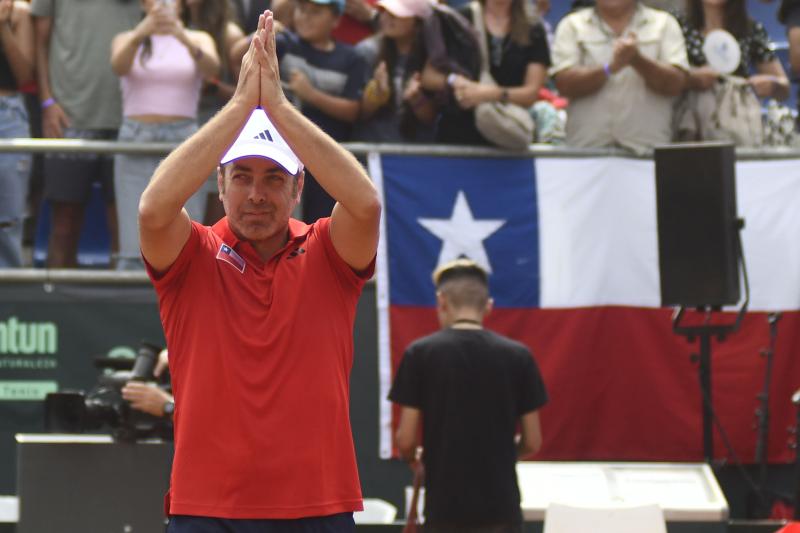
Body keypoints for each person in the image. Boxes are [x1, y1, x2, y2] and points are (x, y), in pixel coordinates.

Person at [139, 9, 380, 530]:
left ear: (298, 189)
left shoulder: (324, 252)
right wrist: (240, 106)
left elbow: (365, 205)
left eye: (274, 179)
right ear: (219, 186)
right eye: (241, 177)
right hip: (207, 510)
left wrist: (279, 108)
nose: (256, 195)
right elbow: (153, 210)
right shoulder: (194, 253)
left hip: (317, 506)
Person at [389, 258, 547, 533]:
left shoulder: (421, 353)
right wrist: (505, 454)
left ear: (441, 301)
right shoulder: (518, 356)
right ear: (488, 306)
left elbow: (405, 440)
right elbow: (532, 441)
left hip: (444, 509)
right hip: (502, 508)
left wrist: (418, 460)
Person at [31, 0, 142, 268]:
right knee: (64, 225)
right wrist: (46, 101)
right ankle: (56, 309)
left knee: (127, 229)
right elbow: (39, 41)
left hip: (131, 120)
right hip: (69, 118)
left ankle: (122, 309)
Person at [111, 0, 220, 270]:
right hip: (135, 137)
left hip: (182, 139)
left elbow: (213, 69)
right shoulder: (127, 37)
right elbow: (118, 66)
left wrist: (179, 34)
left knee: (185, 233)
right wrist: (142, 32)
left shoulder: (197, 37)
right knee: (132, 233)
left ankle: (186, 302)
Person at [550, 0, 688, 153]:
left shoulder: (664, 24)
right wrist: (610, 68)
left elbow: (675, 84)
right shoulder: (571, 25)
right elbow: (564, 84)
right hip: (587, 154)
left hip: (646, 154)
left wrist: (637, 60)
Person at [422, 0, 550, 146]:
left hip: (507, 138)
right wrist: (454, 81)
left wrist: (486, 94)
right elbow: (428, 77)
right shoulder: (458, 19)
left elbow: (531, 93)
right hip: (457, 139)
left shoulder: (533, 27)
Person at [353, 0, 437, 142]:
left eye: (396, 14)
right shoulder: (367, 51)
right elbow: (357, 114)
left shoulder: (433, 58)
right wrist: (376, 94)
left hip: (418, 152)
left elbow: (432, 119)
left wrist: (416, 98)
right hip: (373, 150)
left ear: (418, 21)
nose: (387, 17)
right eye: (384, 11)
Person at [679, 0, 789, 101]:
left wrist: (773, 85)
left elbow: (784, 86)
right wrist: (690, 79)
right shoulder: (676, 24)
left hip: (734, 114)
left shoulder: (750, 29)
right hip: (683, 113)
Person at [0, 0, 34, 267]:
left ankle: (9, 300)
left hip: (8, 116)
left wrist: (2, 26)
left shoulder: (19, 12)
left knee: (8, 219)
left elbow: (24, 75)